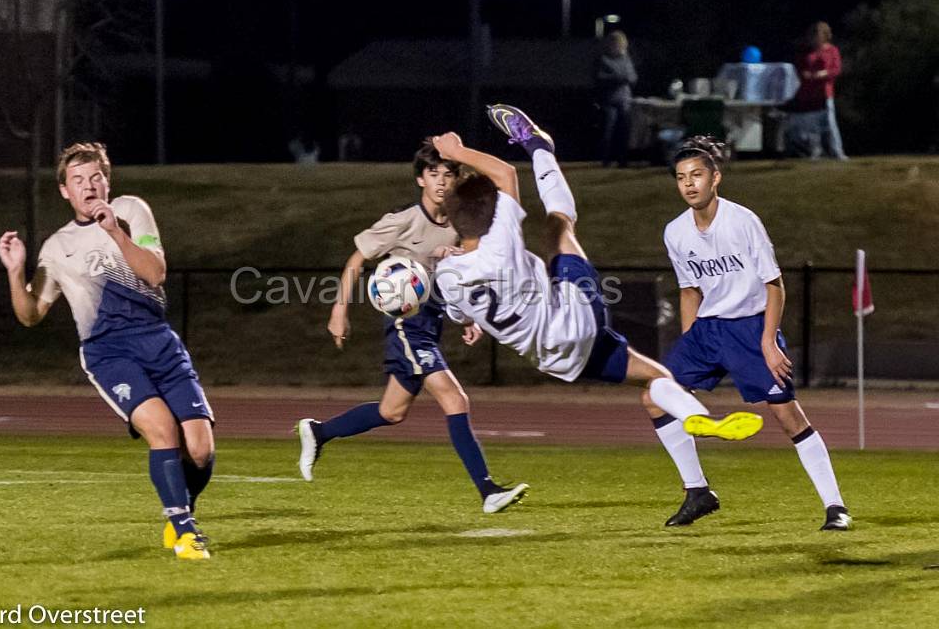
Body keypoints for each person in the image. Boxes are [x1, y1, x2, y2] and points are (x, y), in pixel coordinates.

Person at [432, 105, 764, 527]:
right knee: (560, 226)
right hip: (576, 316)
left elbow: (462, 316)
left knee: (656, 382)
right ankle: (539, 146)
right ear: (492, 214)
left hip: (554, 358)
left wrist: (472, 322)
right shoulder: (499, 241)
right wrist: (458, 151)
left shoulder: (445, 276)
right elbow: (506, 176)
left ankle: (697, 484)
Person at [0, 143, 215, 560]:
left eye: (95, 177)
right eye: (78, 180)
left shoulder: (131, 211)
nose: (88, 186)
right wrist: (14, 272)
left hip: (158, 339)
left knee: (201, 450)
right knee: (162, 430)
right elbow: (30, 315)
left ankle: (181, 510)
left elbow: (156, 273)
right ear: (65, 191)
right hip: (109, 351)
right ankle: (185, 533)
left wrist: (114, 230)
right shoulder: (57, 247)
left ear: (107, 181)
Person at [296, 140, 529, 514]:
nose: (440, 181)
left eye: (448, 174)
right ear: (421, 179)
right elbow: (357, 260)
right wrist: (339, 310)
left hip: (432, 320)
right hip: (406, 325)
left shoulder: (458, 222)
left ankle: (319, 431)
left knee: (392, 411)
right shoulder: (403, 220)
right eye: (433, 174)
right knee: (455, 400)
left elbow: (452, 277)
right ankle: (488, 490)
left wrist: (467, 315)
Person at [662, 135, 852, 531]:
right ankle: (697, 491)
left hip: (750, 329)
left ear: (716, 178)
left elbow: (774, 285)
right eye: (682, 177)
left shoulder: (742, 221)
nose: (689, 184)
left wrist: (768, 342)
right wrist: (690, 339)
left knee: (788, 418)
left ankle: (835, 507)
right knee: (656, 396)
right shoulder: (675, 232)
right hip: (708, 330)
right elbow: (688, 290)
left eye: (697, 174)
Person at [790, 21, 848, 160]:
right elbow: (799, 68)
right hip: (809, 93)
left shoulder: (832, 50)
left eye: (818, 34)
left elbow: (836, 69)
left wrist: (823, 74)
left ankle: (837, 151)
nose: (815, 37)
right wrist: (806, 74)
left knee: (830, 122)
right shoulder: (807, 52)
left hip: (825, 92)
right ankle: (815, 151)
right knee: (812, 125)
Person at [595, 30, 637, 168]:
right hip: (609, 101)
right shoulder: (603, 59)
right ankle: (605, 160)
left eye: (620, 43)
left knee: (623, 132)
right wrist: (619, 78)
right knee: (608, 132)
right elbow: (601, 78)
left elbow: (632, 77)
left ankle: (622, 160)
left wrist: (622, 77)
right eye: (615, 43)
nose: (617, 46)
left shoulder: (626, 59)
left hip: (625, 100)